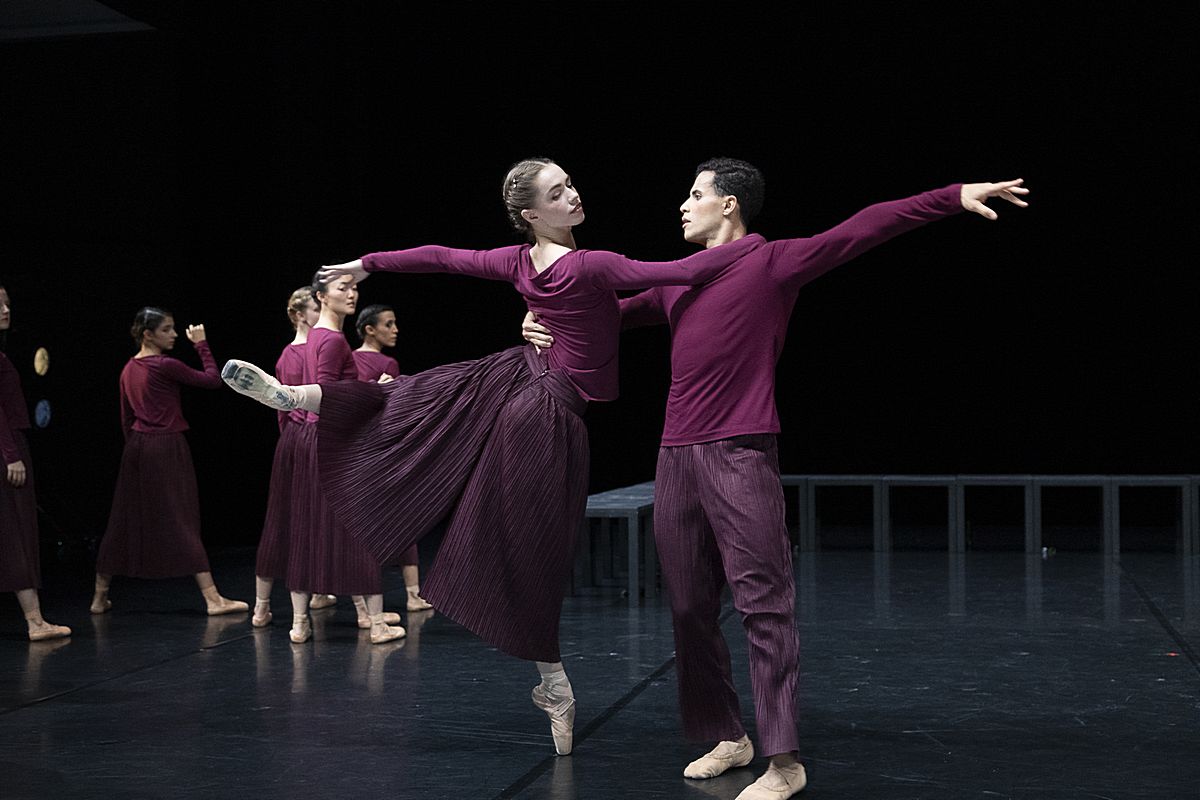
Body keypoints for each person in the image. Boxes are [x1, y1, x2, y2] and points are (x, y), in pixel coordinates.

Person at [220, 157, 761, 755]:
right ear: (532, 214)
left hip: (515, 378)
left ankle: (298, 396)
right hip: (546, 411)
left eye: (570, 184)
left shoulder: (520, 263)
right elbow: (682, 270)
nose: (573, 195)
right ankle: (553, 683)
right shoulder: (590, 264)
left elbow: (442, 257)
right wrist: (759, 247)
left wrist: (366, 264)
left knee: (419, 399)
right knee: (529, 547)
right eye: (557, 193)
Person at [523, 159, 1029, 798]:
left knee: (763, 605)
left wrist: (952, 196)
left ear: (729, 204)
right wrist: (539, 322)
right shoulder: (679, 280)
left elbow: (865, 227)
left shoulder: (772, 263)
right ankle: (727, 735)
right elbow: (597, 318)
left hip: (741, 451)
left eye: (696, 194)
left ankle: (785, 762)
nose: (683, 204)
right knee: (687, 606)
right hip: (676, 456)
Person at [273, 274, 405, 645]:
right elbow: (328, 396)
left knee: (308, 530)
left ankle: (300, 623)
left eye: (354, 287)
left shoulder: (317, 336)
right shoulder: (331, 339)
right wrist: (373, 390)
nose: (351, 293)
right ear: (321, 296)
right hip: (330, 441)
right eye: (342, 288)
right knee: (359, 530)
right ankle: (375, 624)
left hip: (311, 438)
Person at [91, 308, 248, 617]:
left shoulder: (128, 368)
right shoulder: (164, 365)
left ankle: (99, 597)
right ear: (148, 334)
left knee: (122, 521)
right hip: (165, 446)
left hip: (136, 448)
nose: (174, 334)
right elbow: (213, 380)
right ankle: (213, 599)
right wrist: (201, 344)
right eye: (167, 329)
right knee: (182, 518)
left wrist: (136, 449)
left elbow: (126, 419)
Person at [0, 282, 71, 642]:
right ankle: (35, 621)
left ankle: (35, 620)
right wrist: (11, 454)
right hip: (6, 448)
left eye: (7, 303)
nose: (6, 310)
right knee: (15, 533)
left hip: (9, 443)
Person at [353, 303, 433, 613]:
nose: (395, 330)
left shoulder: (382, 362)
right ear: (369, 329)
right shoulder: (371, 362)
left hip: (373, 448)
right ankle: (402, 596)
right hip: (373, 449)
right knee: (393, 518)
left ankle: (400, 596)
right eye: (388, 324)